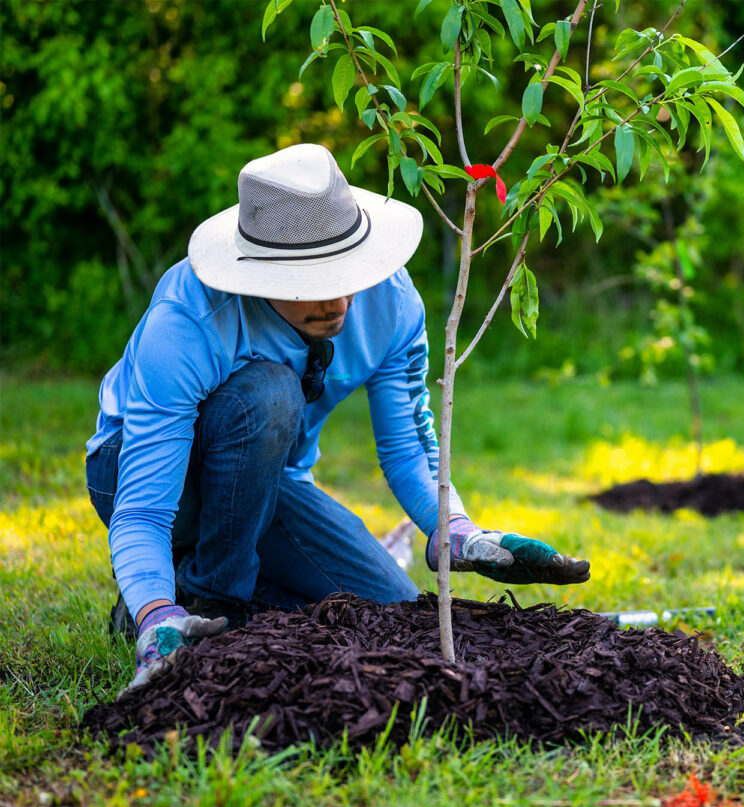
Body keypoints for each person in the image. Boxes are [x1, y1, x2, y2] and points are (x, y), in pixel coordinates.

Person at [85, 143, 590, 693]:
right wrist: (157, 613)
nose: (336, 301)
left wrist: (455, 530)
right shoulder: (190, 319)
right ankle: (196, 603)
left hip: (267, 484)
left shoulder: (392, 303)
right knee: (269, 394)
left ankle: (188, 589)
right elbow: (143, 509)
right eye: (309, 282)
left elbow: (407, 443)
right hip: (142, 475)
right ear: (259, 274)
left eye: (343, 272)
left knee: (387, 610)